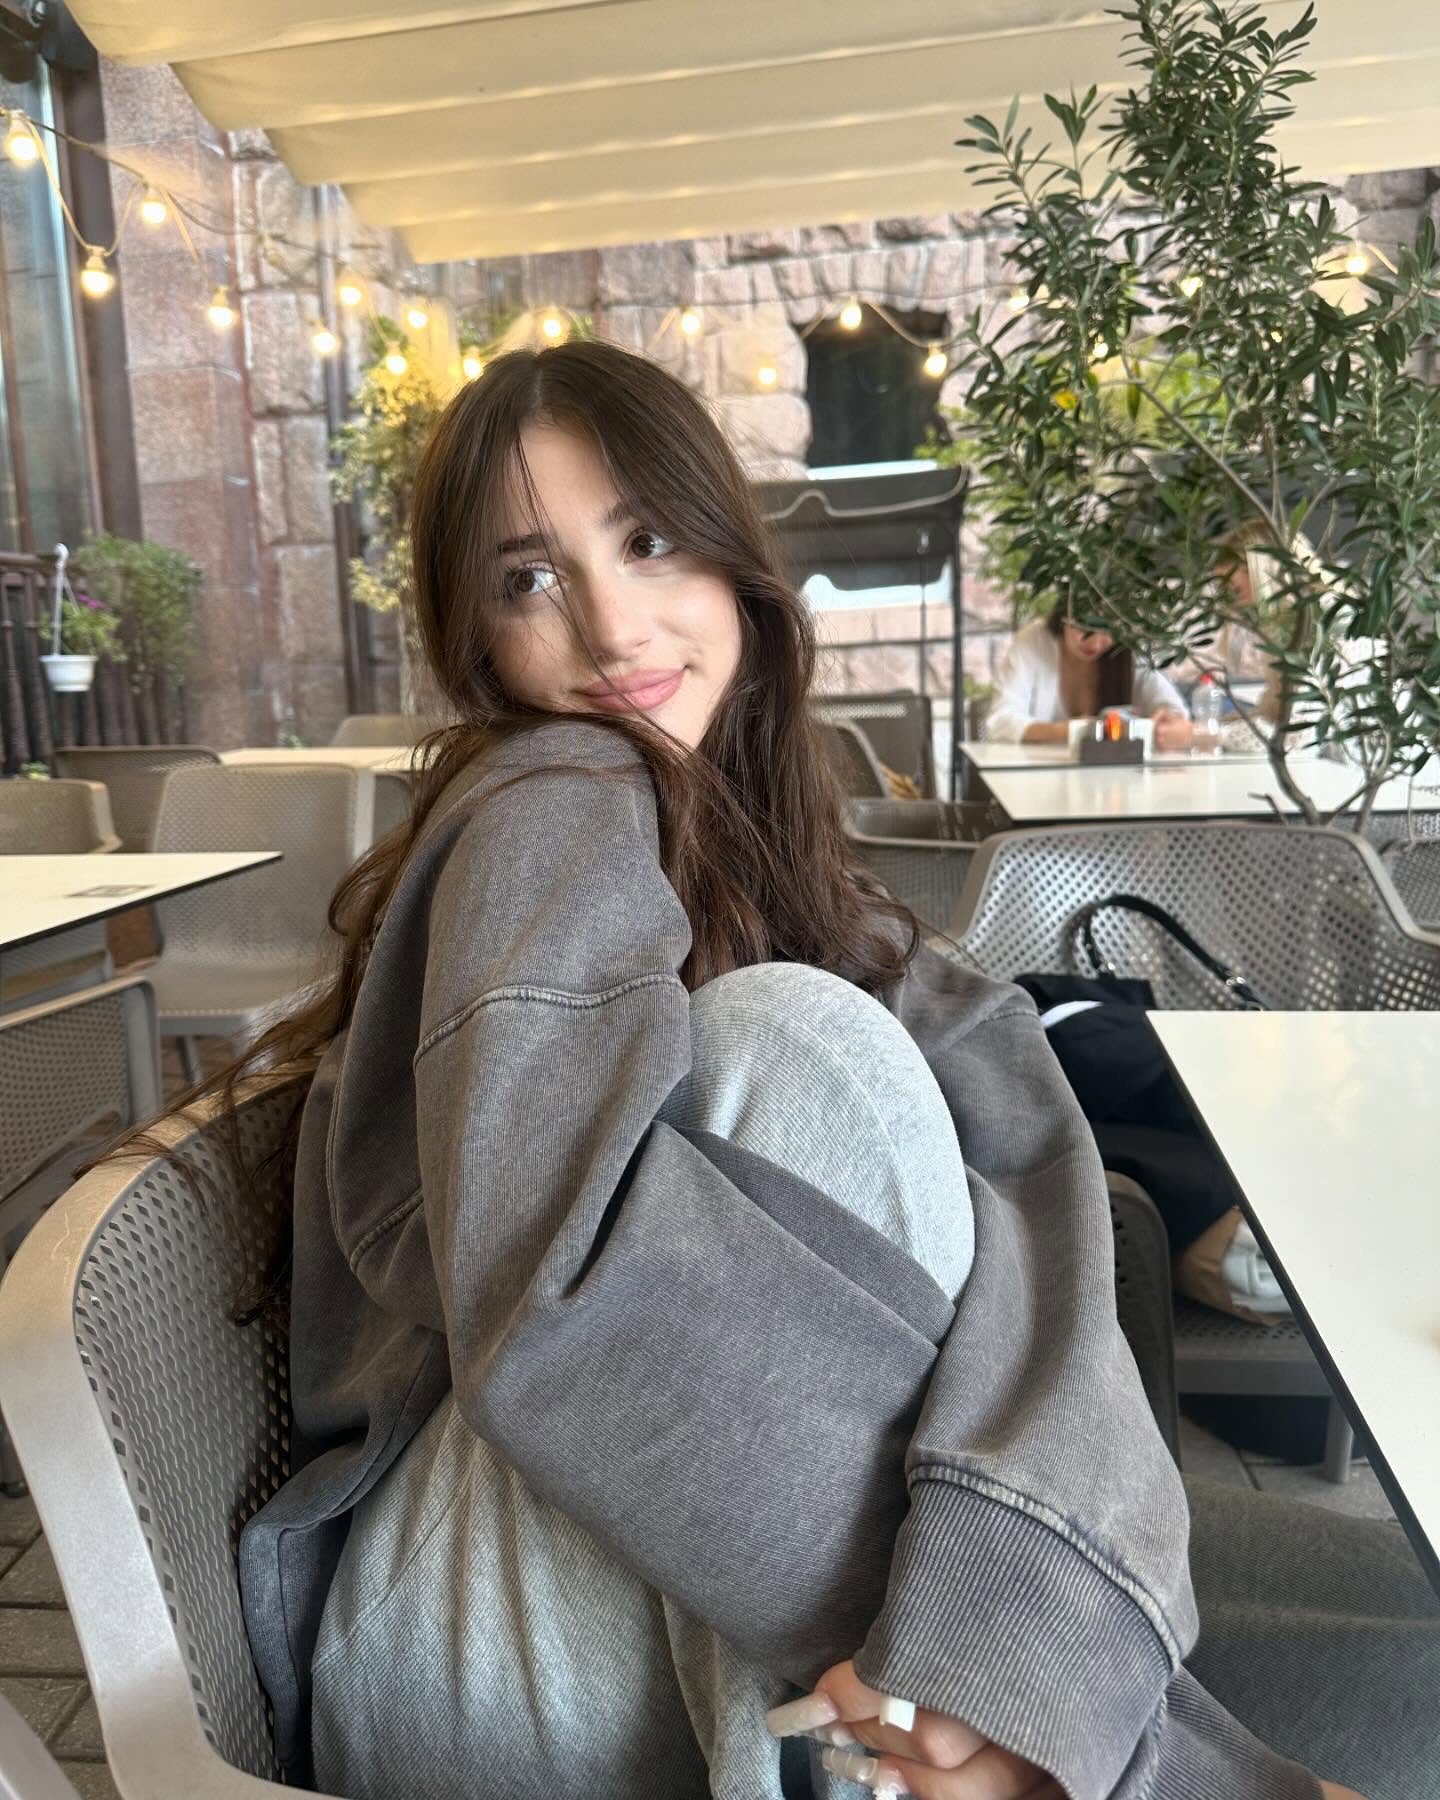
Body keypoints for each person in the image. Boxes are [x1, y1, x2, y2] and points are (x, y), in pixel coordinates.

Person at [147, 343, 1430, 1800]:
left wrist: (1032, 1615)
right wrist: (1134, 1750)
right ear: (477, 640)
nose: (610, 623)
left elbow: (1018, 1136)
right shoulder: (551, 799)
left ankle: (981, 1687)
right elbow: (568, 1293)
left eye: (647, 541)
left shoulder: (751, 835)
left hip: (594, 1591)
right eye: (530, 579)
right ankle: (970, 1712)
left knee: (891, 1070)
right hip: (439, 1645)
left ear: (731, 556)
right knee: (791, 1045)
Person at [984, 604, 1192, 748]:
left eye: (1108, 630)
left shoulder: (1129, 649)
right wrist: (1077, 730)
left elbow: (1173, 710)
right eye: (1084, 627)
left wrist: (1173, 726)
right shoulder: (1034, 641)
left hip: (1118, 785)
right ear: (1064, 617)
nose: (1095, 642)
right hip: (1037, 783)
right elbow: (1000, 721)